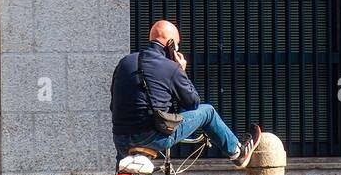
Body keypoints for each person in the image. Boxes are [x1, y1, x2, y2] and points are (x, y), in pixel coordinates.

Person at [111, 19, 261, 167]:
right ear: (171, 44)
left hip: (120, 138)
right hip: (152, 137)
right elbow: (192, 103)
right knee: (208, 111)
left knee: (124, 170)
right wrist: (181, 71)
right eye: (177, 45)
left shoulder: (124, 62)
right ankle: (237, 153)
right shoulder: (171, 67)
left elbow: (113, 104)